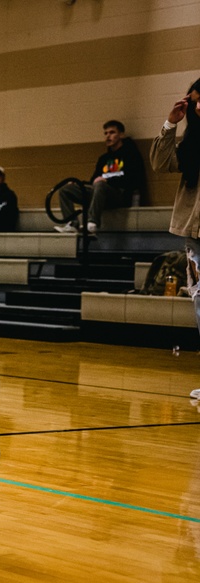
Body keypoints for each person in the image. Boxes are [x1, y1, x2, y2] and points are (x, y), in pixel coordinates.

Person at [150, 78, 200, 400]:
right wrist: (171, 122)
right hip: (194, 234)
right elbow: (159, 162)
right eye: (194, 101)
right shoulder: (193, 141)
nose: (198, 106)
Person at [54, 120, 146, 234]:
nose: (108, 136)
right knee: (66, 189)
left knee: (101, 184)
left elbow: (133, 179)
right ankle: (72, 223)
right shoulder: (104, 158)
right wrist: (79, 184)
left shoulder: (130, 154)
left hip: (119, 194)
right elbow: (94, 180)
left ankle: (92, 222)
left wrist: (107, 180)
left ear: (121, 135)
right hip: (100, 192)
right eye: (106, 133)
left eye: (112, 132)